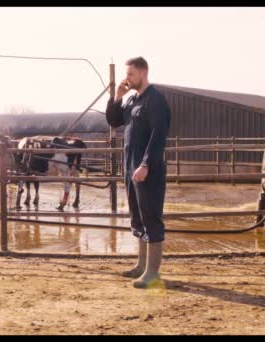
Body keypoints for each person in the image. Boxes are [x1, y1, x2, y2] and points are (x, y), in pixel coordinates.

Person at [106, 56, 171, 289]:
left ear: (143, 73)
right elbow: (113, 121)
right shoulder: (132, 100)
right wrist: (117, 97)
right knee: (137, 215)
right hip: (130, 167)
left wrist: (145, 165)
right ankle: (141, 266)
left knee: (150, 216)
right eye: (127, 74)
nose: (127, 78)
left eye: (131, 74)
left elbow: (158, 137)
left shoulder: (156, 100)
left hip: (147, 169)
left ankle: (152, 272)